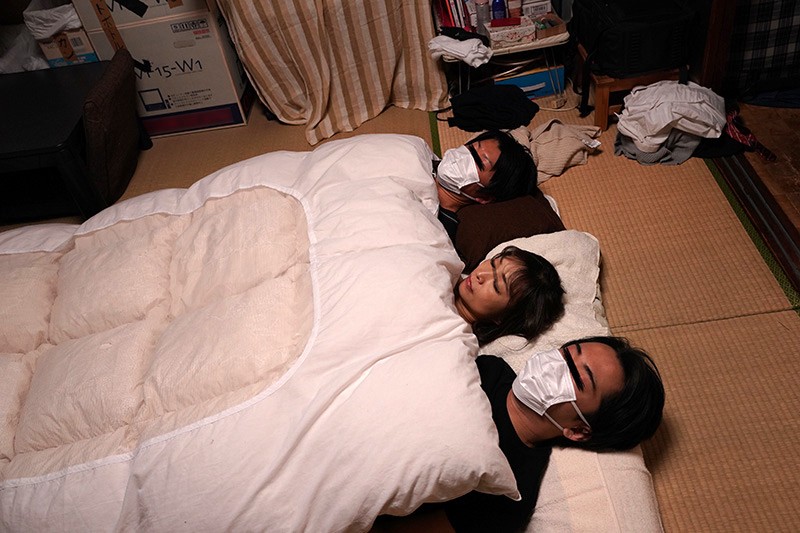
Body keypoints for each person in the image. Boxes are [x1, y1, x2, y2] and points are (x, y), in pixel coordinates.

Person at [373, 336, 666, 533]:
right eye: (566, 354)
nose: (555, 365)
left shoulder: (511, 490)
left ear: (578, 430)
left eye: (577, 378)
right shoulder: (492, 368)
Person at [436, 130, 537, 242]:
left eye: (478, 162)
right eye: (470, 148)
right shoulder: (425, 159)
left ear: (485, 197)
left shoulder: (441, 230)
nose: (463, 157)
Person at [454, 245, 564, 345]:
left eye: (495, 285)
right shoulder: (449, 265)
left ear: (502, 318)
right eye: (493, 264)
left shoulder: (457, 342)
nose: (481, 274)